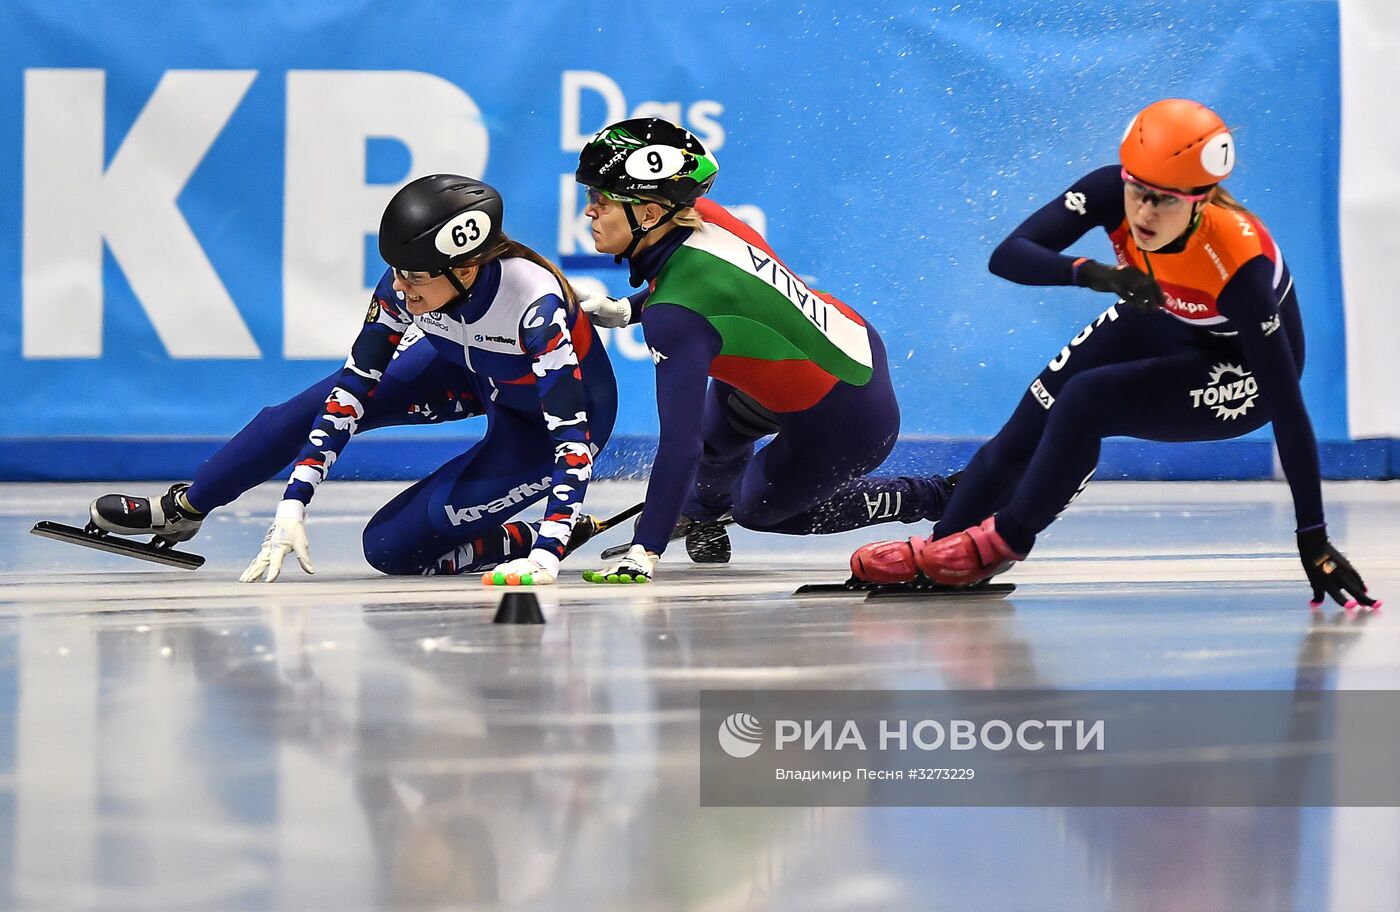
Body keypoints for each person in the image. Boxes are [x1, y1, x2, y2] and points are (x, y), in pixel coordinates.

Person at [850, 99, 1379, 610]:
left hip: (1244, 372)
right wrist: (1093, 273)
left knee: (1086, 399)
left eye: (1166, 199)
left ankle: (1001, 544)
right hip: (1165, 313)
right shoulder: (1109, 189)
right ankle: (944, 544)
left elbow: (1288, 406)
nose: (1146, 212)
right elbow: (1008, 256)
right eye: (1139, 192)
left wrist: (1313, 536)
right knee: (1029, 420)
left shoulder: (1239, 266)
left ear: (1202, 199)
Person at [89, 174, 617, 586]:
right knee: (295, 414)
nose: (401, 288)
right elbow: (351, 393)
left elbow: (572, 446)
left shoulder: (533, 305)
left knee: (390, 549)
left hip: (548, 423)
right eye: (398, 271)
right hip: (463, 368)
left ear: (467, 267)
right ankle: (184, 508)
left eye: (415, 277)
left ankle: (538, 533)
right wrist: (292, 506)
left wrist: (547, 548)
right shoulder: (407, 280)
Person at [573, 118, 954, 584]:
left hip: (848, 413)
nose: (590, 211)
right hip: (841, 343)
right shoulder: (704, 216)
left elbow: (679, 444)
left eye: (601, 200)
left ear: (650, 214)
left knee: (757, 510)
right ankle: (705, 511)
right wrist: (627, 309)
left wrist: (645, 548)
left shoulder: (674, 319)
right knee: (720, 437)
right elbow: (721, 293)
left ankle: (933, 495)